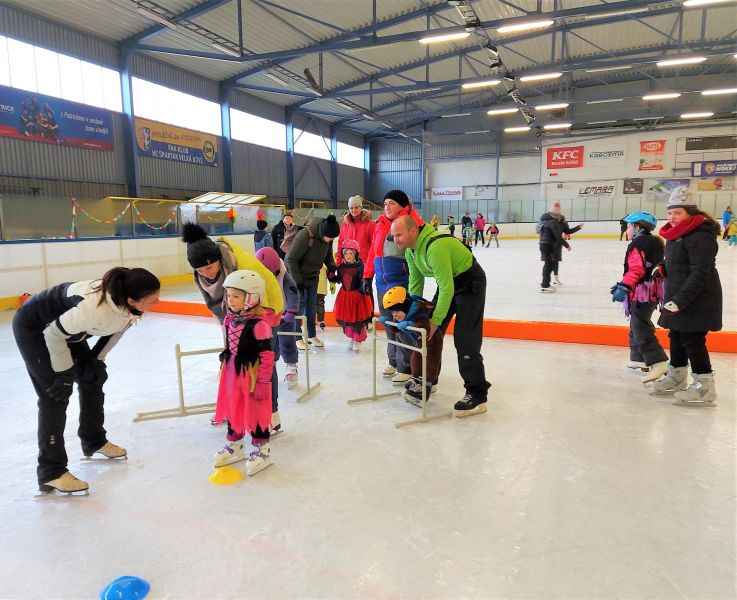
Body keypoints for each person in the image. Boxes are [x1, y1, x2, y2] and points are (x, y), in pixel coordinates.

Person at [13, 267, 161, 494]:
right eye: (152, 301)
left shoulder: (128, 306)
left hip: (67, 331)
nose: (157, 304)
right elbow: (53, 334)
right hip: (37, 327)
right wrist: (63, 375)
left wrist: (97, 360)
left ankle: (94, 440)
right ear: (132, 300)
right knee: (55, 393)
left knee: (93, 376)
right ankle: (51, 472)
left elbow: (116, 332)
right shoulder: (94, 309)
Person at [181, 223, 284, 426]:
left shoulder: (244, 266)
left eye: (209, 267)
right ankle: (233, 408)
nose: (206, 274)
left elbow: (263, 299)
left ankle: (272, 413)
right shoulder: (203, 276)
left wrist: (254, 332)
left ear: (218, 260)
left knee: (261, 362)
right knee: (232, 363)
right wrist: (229, 332)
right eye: (199, 270)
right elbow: (219, 306)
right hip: (235, 314)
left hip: (266, 308)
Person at [391, 215, 491, 417]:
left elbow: (446, 288)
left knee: (465, 339)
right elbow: (415, 285)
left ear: (413, 231)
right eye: (393, 236)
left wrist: (436, 321)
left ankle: (477, 393)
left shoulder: (435, 247)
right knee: (427, 333)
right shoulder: (411, 251)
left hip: (470, 283)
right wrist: (410, 312)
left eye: (399, 234)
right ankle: (428, 380)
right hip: (450, 283)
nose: (396, 240)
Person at [647, 188, 722, 406]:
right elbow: (678, 261)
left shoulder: (701, 236)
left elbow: (700, 272)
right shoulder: (677, 234)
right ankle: (677, 377)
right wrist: (663, 267)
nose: (672, 217)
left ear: (690, 213)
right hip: (679, 293)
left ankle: (704, 388)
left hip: (698, 297)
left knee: (693, 340)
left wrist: (681, 300)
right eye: (670, 212)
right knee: (676, 335)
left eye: (677, 213)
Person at [213, 271, 275, 475]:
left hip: (253, 375)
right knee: (234, 407)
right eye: (228, 295)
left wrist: (264, 381)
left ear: (251, 297)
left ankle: (262, 449)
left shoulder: (260, 325)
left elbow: (267, 355)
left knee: (256, 410)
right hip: (233, 372)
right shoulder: (229, 320)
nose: (230, 300)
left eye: (236, 296)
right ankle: (235, 444)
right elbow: (228, 346)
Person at [363, 190, 424, 386]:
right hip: (382, 279)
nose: (387, 207)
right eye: (385, 203)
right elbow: (373, 252)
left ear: (402, 205)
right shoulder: (381, 223)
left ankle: (406, 366)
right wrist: (367, 275)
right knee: (388, 322)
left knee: (402, 322)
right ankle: (394, 360)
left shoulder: (412, 223)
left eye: (391, 203)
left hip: (400, 278)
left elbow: (418, 251)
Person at [609, 212, 668, 382]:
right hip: (653, 290)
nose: (626, 230)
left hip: (642, 292)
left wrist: (624, 286)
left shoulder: (638, 243)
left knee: (640, 325)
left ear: (637, 227)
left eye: (628, 226)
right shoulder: (655, 242)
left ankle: (658, 361)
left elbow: (636, 269)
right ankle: (638, 358)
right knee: (637, 322)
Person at [380, 286, 443, 407]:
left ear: (404, 307)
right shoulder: (402, 315)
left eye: (397, 311)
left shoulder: (418, 314)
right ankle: (416, 381)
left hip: (433, 342)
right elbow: (396, 329)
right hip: (420, 343)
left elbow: (424, 328)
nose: (395, 315)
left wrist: (411, 324)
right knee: (415, 361)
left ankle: (426, 387)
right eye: (392, 312)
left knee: (430, 364)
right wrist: (387, 323)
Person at [285, 214, 340, 350]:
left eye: (333, 238)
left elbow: (328, 255)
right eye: (330, 237)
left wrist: (332, 267)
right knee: (299, 306)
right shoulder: (304, 235)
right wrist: (298, 282)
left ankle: (311, 334)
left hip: (313, 275)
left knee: (311, 306)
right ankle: (296, 337)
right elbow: (291, 259)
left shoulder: (327, 238)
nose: (331, 240)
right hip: (297, 276)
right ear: (323, 232)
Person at [255, 247, 300, 391]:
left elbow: (293, 293)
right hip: (266, 318)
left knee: (287, 342)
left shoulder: (283, 275)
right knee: (270, 344)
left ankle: (291, 367)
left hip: (284, 316)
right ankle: (270, 366)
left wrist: (291, 311)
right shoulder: (255, 276)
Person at [333, 240, 373, 352]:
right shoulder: (341, 267)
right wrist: (331, 276)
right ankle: (353, 337)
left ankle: (358, 340)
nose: (348, 256)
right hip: (345, 297)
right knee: (348, 320)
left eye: (351, 253)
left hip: (358, 297)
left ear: (355, 254)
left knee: (357, 320)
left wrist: (360, 292)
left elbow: (363, 282)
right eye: (346, 253)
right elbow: (339, 279)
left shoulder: (360, 267)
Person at [537, 202, 583, 292]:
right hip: (547, 245)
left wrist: (578, 227)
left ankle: (545, 283)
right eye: (558, 212)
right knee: (549, 264)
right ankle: (545, 285)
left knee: (549, 264)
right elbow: (558, 236)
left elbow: (566, 231)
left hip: (548, 245)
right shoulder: (552, 222)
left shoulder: (556, 221)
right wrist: (567, 245)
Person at [336, 195, 375, 266]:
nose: (353, 210)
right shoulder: (345, 225)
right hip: (347, 265)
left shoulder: (370, 225)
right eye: (351, 208)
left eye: (356, 207)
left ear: (361, 207)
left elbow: (374, 246)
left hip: (364, 264)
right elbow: (340, 244)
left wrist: (371, 264)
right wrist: (338, 263)